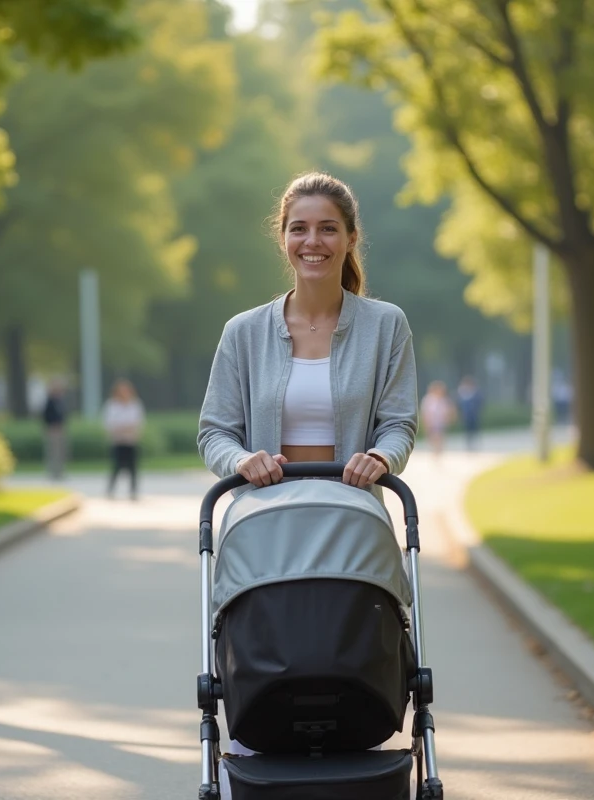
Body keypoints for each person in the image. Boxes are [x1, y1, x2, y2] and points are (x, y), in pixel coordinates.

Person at [197, 172, 418, 799]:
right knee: (265, 660)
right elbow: (215, 432)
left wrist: (381, 456)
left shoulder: (384, 325)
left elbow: (399, 421)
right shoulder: (243, 332)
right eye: (300, 228)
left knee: (345, 659)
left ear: (350, 239)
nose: (312, 241)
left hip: (349, 524)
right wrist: (242, 462)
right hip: (267, 532)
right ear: (283, 238)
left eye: (327, 229)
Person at [102, 378, 145, 500]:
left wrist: (123, 427)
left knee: (133, 468)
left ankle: (133, 491)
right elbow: (110, 424)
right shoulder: (112, 405)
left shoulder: (135, 404)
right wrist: (125, 427)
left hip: (131, 441)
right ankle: (111, 490)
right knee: (116, 467)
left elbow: (137, 423)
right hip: (118, 441)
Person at [41, 378, 69, 480]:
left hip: (61, 429)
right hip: (52, 429)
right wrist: (51, 426)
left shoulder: (60, 401)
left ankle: (60, 472)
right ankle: (53, 473)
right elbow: (45, 416)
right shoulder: (49, 401)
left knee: (61, 452)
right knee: (53, 452)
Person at [420, 380, 455, 459]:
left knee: (440, 438)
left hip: (440, 423)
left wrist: (449, 419)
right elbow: (425, 412)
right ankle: (435, 452)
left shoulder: (444, 400)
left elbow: (449, 410)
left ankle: (438, 453)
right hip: (432, 423)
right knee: (434, 438)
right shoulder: (428, 400)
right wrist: (426, 423)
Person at [456, 375, 484, 450]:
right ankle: (469, 444)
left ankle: (475, 443)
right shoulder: (462, 393)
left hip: (474, 415)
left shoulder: (475, 392)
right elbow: (459, 405)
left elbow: (480, 403)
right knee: (467, 430)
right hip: (465, 415)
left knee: (475, 429)